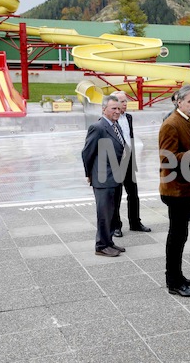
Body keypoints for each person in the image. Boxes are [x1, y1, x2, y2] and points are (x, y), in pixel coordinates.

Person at [159, 85, 190, 297]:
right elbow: (167, 159)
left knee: (181, 235)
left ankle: (177, 275)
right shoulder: (172, 124)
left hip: (185, 189)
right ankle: (174, 281)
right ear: (179, 102)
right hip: (175, 191)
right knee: (176, 237)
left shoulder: (187, 122)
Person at [81, 95, 127, 257]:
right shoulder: (98, 127)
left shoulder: (116, 125)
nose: (117, 111)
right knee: (104, 213)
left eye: (118, 108)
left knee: (112, 212)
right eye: (113, 108)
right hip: (103, 178)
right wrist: (89, 174)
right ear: (104, 109)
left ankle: (109, 242)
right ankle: (101, 245)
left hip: (115, 176)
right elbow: (87, 153)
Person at [109, 91, 151, 237]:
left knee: (133, 193)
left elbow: (129, 138)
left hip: (128, 160)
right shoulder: (108, 119)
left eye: (126, 101)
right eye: (121, 101)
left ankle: (135, 222)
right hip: (116, 162)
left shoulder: (129, 117)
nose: (125, 104)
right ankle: (116, 226)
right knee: (116, 195)